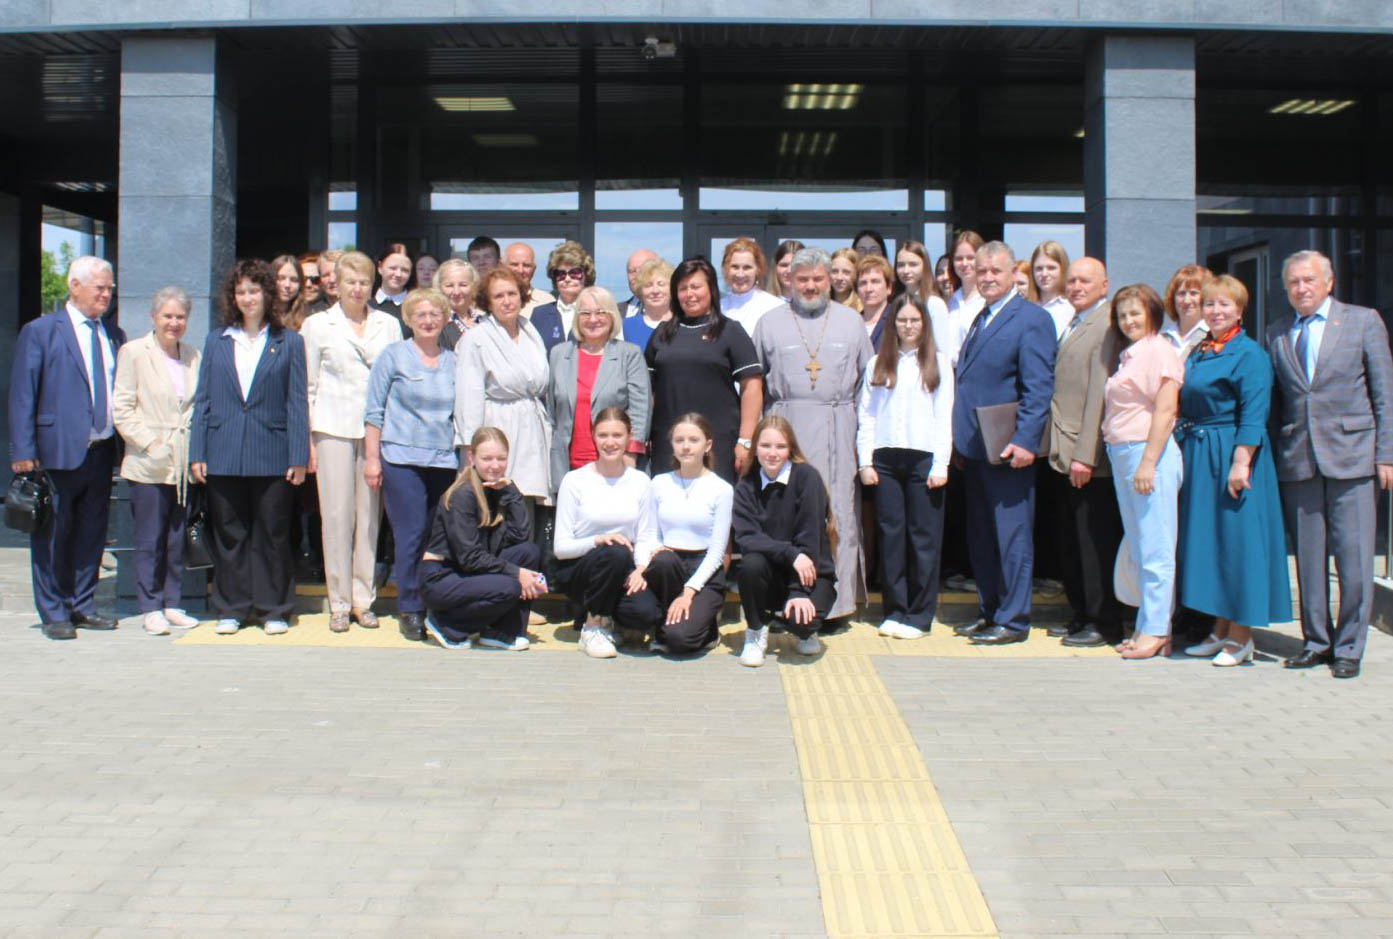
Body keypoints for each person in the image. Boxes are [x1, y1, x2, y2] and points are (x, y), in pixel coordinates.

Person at [1269, 251, 1393, 679]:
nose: (1301, 288)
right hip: (1299, 460)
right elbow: (1279, 402)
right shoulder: (1277, 331)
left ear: (1329, 282)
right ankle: (1316, 642)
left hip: (1353, 456)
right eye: (1293, 282)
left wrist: (1386, 453)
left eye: (1308, 280)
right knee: (1308, 560)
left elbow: (1384, 393)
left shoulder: (1362, 321)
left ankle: (1349, 647)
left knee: (1354, 559)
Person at [190, 259, 310, 636]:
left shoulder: (290, 342)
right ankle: (232, 607)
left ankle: (274, 608)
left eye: (254, 290)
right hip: (223, 452)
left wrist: (299, 456)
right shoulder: (217, 340)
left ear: (267, 294)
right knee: (230, 535)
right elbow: (203, 399)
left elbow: (296, 402)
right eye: (241, 291)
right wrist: (197, 452)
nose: (248, 298)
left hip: (273, 452)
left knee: (272, 534)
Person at [1176, 275, 1291, 666]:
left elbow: (1254, 413)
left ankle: (1241, 636)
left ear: (1240, 310)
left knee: (1239, 544)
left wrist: (1241, 462)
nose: (1215, 311)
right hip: (1201, 453)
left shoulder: (1249, 353)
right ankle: (1220, 628)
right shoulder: (1202, 349)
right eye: (1209, 304)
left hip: (1233, 454)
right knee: (1215, 544)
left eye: (1224, 304)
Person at [9, 255, 126, 639]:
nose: (106, 295)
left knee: (92, 533)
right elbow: (24, 394)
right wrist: (23, 451)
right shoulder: (42, 331)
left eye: (109, 288)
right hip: (55, 452)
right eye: (99, 288)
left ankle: (82, 604)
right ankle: (54, 611)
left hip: (101, 450)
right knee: (53, 534)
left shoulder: (114, 335)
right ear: (74, 286)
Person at [753, 247, 873, 623]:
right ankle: (783, 601)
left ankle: (836, 605)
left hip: (838, 429)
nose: (810, 286)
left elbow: (868, 385)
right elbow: (755, 384)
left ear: (830, 280)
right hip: (785, 429)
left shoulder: (851, 322)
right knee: (784, 514)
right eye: (802, 279)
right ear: (790, 280)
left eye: (818, 279)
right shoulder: (769, 322)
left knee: (839, 514)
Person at [950, 241, 1055, 645]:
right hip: (977, 448)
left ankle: (1013, 620)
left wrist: (1026, 440)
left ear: (1013, 273)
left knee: (1012, 537)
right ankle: (990, 610)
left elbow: (1038, 386)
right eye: (982, 271)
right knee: (982, 536)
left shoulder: (1032, 319)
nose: (988, 277)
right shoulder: (983, 316)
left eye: (996, 271)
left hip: (1010, 449)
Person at [302, 250, 403, 633]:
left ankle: (364, 599)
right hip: (332, 428)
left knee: (369, 517)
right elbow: (308, 387)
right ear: (337, 285)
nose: (357, 289)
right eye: (350, 282)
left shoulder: (388, 325)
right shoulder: (317, 325)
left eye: (364, 282)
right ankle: (339, 602)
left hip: (376, 431)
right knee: (336, 517)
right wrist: (309, 441)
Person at [856, 293, 954, 641]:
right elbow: (867, 415)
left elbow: (944, 416)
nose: (908, 326)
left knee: (923, 538)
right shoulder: (878, 362)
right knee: (891, 536)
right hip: (885, 459)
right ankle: (895, 610)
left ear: (924, 324)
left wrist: (941, 463)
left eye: (914, 320)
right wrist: (865, 461)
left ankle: (919, 615)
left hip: (923, 458)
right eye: (902, 320)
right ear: (892, 324)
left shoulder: (938, 362)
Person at [365, 287, 459, 641]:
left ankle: (435, 601)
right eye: (420, 314)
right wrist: (372, 459)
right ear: (408, 319)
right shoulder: (394, 356)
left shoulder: (454, 361)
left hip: (443, 460)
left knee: (437, 537)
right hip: (401, 458)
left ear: (445, 319)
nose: (428, 320)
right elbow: (374, 411)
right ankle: (410, 606)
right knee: (410, 534)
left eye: (435, 314)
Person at [1043, 257, 1124, 648]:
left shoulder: (1106, 325)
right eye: (1071, 280)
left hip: (1086, 455)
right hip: (1063, 450)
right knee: (1072, 540)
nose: (1075, 287)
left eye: (1084, 281)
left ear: (1104, 285)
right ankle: (1080, 614)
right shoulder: (1074, 321)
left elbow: (1099, 395)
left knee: (1095, 543)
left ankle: (1103, 621)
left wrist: (1086, 454)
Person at [112, 286, 202, 636]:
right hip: (149, 461)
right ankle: (150, 607)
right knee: (150, 539)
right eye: (167, 316)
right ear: (153, 317)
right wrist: (150, 443)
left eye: (180, 317)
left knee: (176, 538)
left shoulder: (193, 355)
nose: (174, 323)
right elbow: (122, 408)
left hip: (183, 463)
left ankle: (172, 603)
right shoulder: (134, 353)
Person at [1102, 284, 1184, 660]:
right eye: (1122, 315)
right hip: (1124, 454)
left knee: (1155, 546)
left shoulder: (1159, 351)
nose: (1129, 321)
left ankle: (1157, 631)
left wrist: (1148, 462)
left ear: (1152, 313)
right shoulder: (1131, 355)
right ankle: (1146, 624)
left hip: (1147, 455)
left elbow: (1166, 411)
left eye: (1135, 313)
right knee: (1138, 545)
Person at [419, 427, 544, 651]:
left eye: (501, 458)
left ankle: (501, 631)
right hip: (442, 576)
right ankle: (448, 624)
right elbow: (469, 557)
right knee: (510, 586)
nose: (495, 465)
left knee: (529, 552)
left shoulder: (495, 488)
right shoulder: (463, 494)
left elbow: (520, 536)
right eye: (487, 459)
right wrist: (517, 573)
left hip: (469, 570)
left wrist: (512, 493)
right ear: (471, 457)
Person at [552, 408, 660, 658]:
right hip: (581, 568)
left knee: (645, 613)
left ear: (629, 437)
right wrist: (597, 540)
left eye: (617, 435)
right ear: (593, 436)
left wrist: (641, 569)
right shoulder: (574, 480)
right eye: (603, 435)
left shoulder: (641, 482)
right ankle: (592, 627)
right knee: (615, 551)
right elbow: (561, 548)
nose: (610, 442)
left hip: (623, 567)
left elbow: (644, 536)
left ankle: (609, 618)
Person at [647, 257, 763, 483]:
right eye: (682, 288)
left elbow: (752, 386)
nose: (689, 294)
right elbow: (648, 391)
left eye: (696, 287)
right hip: (669, 445)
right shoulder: (661, 334)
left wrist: (745, 440)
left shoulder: (730, 331)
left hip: (719, 445)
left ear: (711, 289)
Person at [733, 415, 836, 666]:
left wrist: (799, 591)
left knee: (802, 622)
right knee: (750, 565)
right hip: (771, 572)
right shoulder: (746, 484)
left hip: (809, 572)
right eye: (765, 445)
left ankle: (805, 632)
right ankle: (756, 631)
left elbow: (809, 537)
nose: (772, 453)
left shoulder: (807, 477)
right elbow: (747, 537)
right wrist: (791, 554)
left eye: (780, 446)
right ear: (755, 448)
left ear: (791, 449)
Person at [630, 414, 734, 655]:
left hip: (704, 569)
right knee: (664, 560)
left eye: (693, 440)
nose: (686, 446)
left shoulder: (722, 489)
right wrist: (645, 562)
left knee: (680, 640)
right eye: (679, 440)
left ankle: (704, 629)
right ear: (672, 445)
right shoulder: (659, 483)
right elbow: (650, 533)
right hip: (668, 566)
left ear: (707, 445)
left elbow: (717, 552)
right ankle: (666, 622)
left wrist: (688, 592)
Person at [455, 267, 552, 507]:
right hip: (497, 426)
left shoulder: (530, 331)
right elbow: (469, 397)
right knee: (496, 501)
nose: (507, 301)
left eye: (512, 294)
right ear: (488, 302)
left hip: (532, 426)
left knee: (526, 501)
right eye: (498, 296)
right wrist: (470, 448)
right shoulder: (475, 339)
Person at [547, 285, 650, 495]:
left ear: (612, 316)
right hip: (569, 463)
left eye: (600, 312)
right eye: (585, 313)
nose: (593, 319)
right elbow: (552, 410)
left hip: (615, 462)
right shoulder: (559, 354)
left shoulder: (629, 354)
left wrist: (630, 454)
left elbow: (641, 409)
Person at [529, 240, 595, 353]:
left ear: (586, 275)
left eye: (575, 273)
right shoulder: (539, 314)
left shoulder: (597, 313)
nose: (567, 279)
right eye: (560, 274)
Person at [894, 240, 953, 356]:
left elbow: (943, 351)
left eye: (913, 264)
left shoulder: (934, 304)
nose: (906, 271)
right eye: (901, 265)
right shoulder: (895, 302)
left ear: (924, 266)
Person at [720, 236, 786, 338]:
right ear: (726, 269)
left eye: (747, 267)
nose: (740, 274)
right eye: (735, 267)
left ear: (758, 270)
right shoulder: (718, 307)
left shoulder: (775, 307)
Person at [945, 230, 985, 364]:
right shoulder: (950, 301)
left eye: (970, 258)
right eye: (958, 258)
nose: (964, 263)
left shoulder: (987, 301)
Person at [1162, 264, 1214, 360]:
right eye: (1181, 293)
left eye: (1194, 293)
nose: (1187, 301)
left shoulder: (1214, 336)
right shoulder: (1161, 339)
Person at [622, 257, 673, 351]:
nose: (655, 291)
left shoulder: (684, 324)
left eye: (661, 284)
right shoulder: (625, 326)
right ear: (640, 290)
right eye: (648, 285)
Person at [434, 258, 481, 352]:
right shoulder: (435, 323)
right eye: (449, 285)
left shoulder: (484, 319)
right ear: (439, 288)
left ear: (473, 286)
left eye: (463, 285)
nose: (456, 292)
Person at [1030, 241, 1075, 339]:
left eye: (1051, 268)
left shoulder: (1071, 308)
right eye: (1039, 268)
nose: (1044, 274)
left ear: (1063, 269)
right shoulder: (1026, 307)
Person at [855, 254, 895, 350]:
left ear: (889, 288)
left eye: (875, 281)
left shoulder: (896, 320)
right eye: (863, 283)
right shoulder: (852, 323)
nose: (869, 289)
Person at [504, 242, 554, 318]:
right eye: (514, 264)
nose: (520, 270)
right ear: (502, 266)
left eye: (526, 265)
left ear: (534, 269)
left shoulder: (547, 301)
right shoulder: (490, 300)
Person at [374, 243, 413, 322]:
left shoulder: (416, 308)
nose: (398, 274)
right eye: (392, 268)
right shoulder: (364, 306)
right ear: (380, 267)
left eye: (405, 270)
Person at [272, 254, 309, 332]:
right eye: (281, 278)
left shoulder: (308, 318)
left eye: (294, 280)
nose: (287, 285)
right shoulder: (260, 315)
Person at [620, 248, 658, 317]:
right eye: (632, 271)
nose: (637, 276)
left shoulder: (674, 310)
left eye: (643, 269)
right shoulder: (614, 312)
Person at [308, 249, 342, 315]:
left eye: (337, 273)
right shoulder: (311, 313)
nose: (332, 280)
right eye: (326, 275)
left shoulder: (361, 310)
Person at [829, 248, 863, 313]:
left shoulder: (864, 307)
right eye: (834, 271)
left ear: (856, 274)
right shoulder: (820, 306)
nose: (839, 278)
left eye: (846, 272)